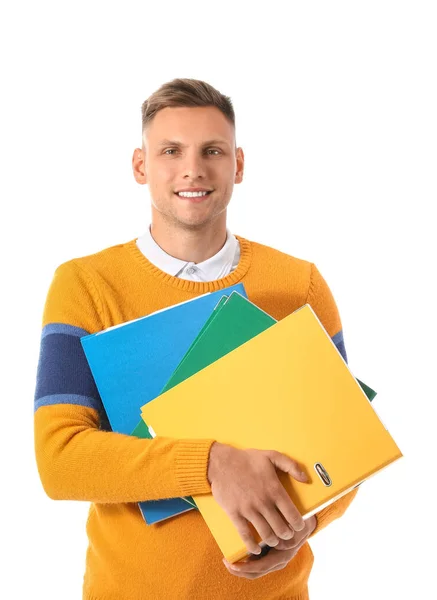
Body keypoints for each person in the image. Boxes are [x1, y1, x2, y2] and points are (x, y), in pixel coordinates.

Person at [34, 77, 358, 600]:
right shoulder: (86, 285)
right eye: (171, 151)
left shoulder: (299, 285)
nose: (193, 169)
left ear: (239, 165)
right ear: (141, 166)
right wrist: (210, 463)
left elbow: (347, 448)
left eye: (213, 150)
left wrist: (308, 525)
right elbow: (61, 460)